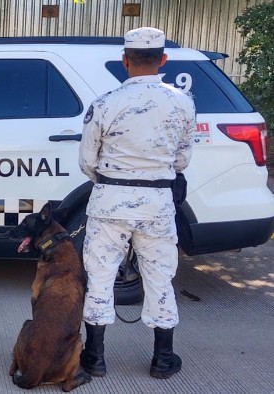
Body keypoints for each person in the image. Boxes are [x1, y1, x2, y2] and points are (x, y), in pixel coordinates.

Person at [78, 27, 196, 379]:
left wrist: (111, 181)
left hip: (110, 200)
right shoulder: (182, 102)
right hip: (157, 202)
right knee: (160, 277)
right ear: (163, 60)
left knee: (99, 277)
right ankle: (163, 359)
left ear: (124, 60)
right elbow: (182, 159)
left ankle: (95, 358)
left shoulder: (104, 104)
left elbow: (87, 160)